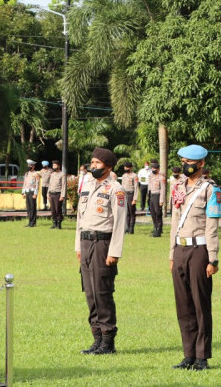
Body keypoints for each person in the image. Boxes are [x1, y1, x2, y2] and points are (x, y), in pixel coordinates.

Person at [170, 144, 221, 371]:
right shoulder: (178, 187)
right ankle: (188, 354)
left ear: (200, 164)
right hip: (180, 250)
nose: (185, 165)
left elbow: (212, 226)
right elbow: (174, 222)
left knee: (201, 304)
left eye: (189, 162)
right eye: (182, 161)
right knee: (183, 305)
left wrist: (213, 258)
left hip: (200, 251)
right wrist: (171, 253)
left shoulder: (211, 190)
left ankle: (202, 356)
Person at [75, 147, 126, 355]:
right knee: (89, 292)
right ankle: (96, 338)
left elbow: (120, 223)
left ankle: (107, 341)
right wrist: (78, 245)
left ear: (108, 166)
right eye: (92, 162)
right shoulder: (87, 186)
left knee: (102, 292)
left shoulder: (116, 189)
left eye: (97, 163)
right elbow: (81, 219)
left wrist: (114, 251)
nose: (92, 166)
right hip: (86, 243)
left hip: (103, 244)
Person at [148, 162, 166, 237]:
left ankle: (159, 230)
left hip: (158, 195)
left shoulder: (161, 178)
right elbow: (149, 187)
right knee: (152, 213)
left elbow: (163, 190)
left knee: (158, 213)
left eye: (155, 168)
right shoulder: (151, 176)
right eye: (152, 168)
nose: (153, 170)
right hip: (151, 195)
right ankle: (155, 228)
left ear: (158, 169)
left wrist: (161, 200)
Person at [120, 162, 139, 234]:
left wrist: (135, 199)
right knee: (126, 212)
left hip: (131, 194)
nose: (126, 169)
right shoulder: (124, 176)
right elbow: (122, 186)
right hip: (124, 194)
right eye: (125, 167)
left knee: (132, 212)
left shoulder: (134, 176)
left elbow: (136, 188)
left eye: (127, 168)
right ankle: (127, 227)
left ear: (130, 168)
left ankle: (131, 228)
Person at [47, 160, 66, 229]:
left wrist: (62, 195)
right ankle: (54, 223)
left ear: (58, 166)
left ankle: (59, 224)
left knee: (58, 209)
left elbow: (63, 185)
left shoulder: (62, 174)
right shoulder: (52, 174)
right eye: (53, 165)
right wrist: (47, 193)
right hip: (51, 193)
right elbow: (50, 184)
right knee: (52, 210)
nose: (54, 167)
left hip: (58, 194)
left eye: (55, 165)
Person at [22, 159, 41, 227]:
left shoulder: (36, 174)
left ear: (33, 166)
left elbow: (37, 184)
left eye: (30, 165)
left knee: (33, 207)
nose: (29, 166)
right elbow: (25, 183)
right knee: (28, 207)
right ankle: (29, 221)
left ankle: (33, 222)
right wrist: (23, 192)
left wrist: (35, 194)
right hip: (27, 191)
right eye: (28, 165)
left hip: (32, 191)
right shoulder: (27, 174)